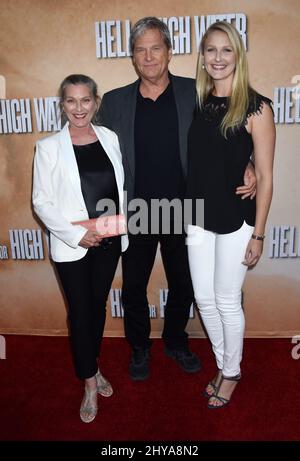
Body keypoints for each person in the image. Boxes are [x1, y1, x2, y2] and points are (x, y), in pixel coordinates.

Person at [99, 17, 256, 381]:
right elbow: (99, 155)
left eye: (156, 48)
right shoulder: (114, 102)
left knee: (185, 282)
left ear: (169, 53)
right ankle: (139, 347)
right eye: (141, 50)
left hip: (186, 208)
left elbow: (227, 135)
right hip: (136, 209)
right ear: (133, 58)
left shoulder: (195, 93)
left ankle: (175, 342)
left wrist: (248, 162)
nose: (149, 57)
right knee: (134, 285)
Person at [186, 21, 276, 408]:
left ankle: (233, 371)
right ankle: (224, 364)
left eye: (226, 50)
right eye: (211, 50)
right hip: (196, 214)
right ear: (203, 58)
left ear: (237, 55)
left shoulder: (258, 106)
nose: (218, 58)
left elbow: (267, 177)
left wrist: (258, 233)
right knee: (204, 299)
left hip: (237, 218)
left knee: (225, 298)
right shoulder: (199, 103)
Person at [32, 74, 128, 423]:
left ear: (96, 102)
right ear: (62, 105)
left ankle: (93, 365)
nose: (78, 108)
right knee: (81, 311)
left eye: (85, 100)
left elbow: (121, 187)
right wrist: (76, 236)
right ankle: (89, 380)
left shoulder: (110, 138)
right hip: (72, 245)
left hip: (109, 240)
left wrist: (123, 225)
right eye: (71, 101)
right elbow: (41, 202)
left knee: (97, 306)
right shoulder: (48, 147)